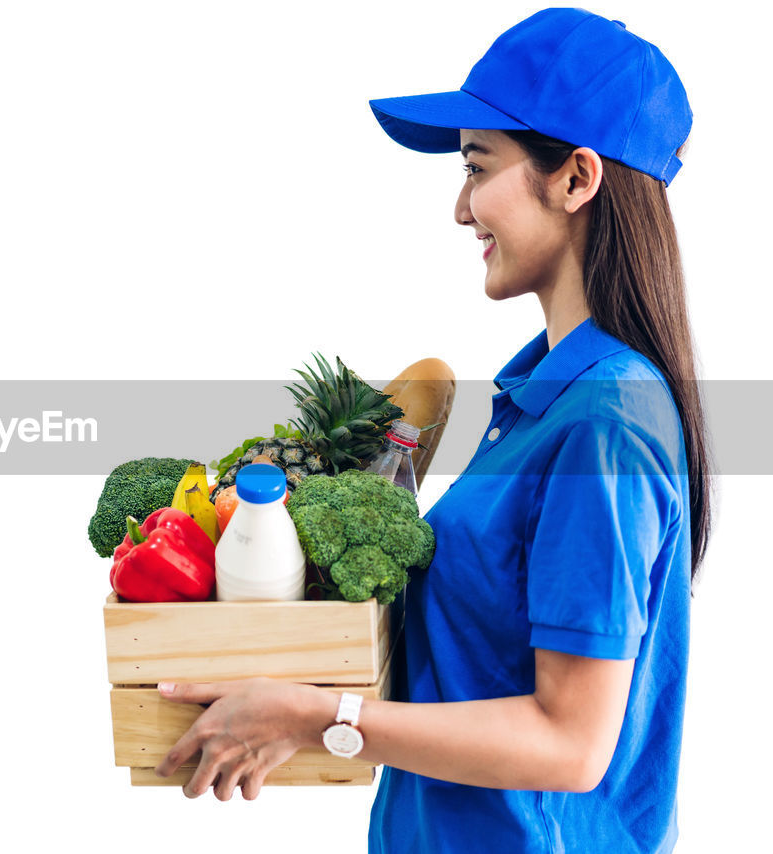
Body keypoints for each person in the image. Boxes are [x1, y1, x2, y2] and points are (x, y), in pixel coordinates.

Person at [152, 9, 713, 853]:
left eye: (477, 166)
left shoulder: (606, 422)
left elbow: (572, 746)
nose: (461, 209)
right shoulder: (543, 399)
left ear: (576, 179)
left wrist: (319, 716)